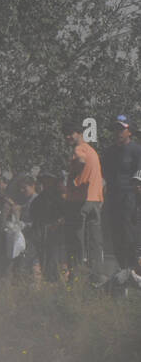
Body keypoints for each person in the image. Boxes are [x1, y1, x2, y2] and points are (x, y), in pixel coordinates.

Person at [100, 114, 141, 282]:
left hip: (130, 197)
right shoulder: (109, 152)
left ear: (129, 131)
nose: (118, 132)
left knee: (129, 233)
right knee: (115, 234)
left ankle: (133, 270)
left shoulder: (137, 150)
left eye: (121, 129)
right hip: (113, 197)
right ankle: (123, 269)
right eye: (115, 129)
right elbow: (105, 174)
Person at [63, 120, 105, 282]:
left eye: (70, 133)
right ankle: (97, 276)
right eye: (65, 134)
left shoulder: (78, 149)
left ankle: (77, 277)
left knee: (76, 240)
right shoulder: (92, 151)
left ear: (79, 133)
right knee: (95, 241)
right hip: (95, 201)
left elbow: (80, 161)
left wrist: (73, 178)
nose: (67, 137)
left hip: (79, 202)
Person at [29, 174, 66, 282]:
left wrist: (58, 223)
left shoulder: (61, 197)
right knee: (43, 261)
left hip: (57, 235)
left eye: (49, 180)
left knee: (55, 261)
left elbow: (67, 214)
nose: (46, 183)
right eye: (44, 181)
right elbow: (34, 215)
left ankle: (57, 283)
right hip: (42, 234)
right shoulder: (39, 199)